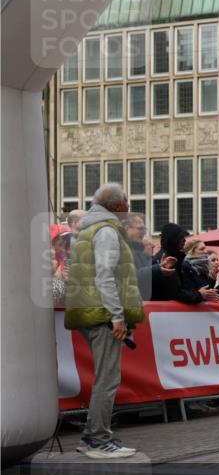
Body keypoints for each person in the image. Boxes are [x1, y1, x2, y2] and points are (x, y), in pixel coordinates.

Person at [64, 184, 146, 459]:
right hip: (102, 313)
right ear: (117, 206)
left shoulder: (89, 229)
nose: (130, 205)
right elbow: (105, 275)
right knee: (108, 378)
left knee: (105, 376)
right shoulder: (107, 231)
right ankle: (98, 439)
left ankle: (93, 436)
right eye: (127, 201)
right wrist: (117, 316)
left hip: (90, 310)